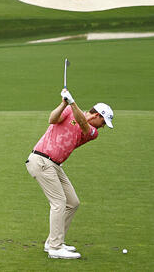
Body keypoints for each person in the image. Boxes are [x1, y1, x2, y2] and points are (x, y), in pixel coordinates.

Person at [25, 88, 114, 259]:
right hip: (41, 160)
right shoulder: (68, 110)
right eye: (103, 123)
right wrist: (63, 103)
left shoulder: (92, 133)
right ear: (98, 115)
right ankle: (56, 248)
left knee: (72, 202)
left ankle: (53, 241)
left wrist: (72, 102)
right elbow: (52, 119)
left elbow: (83, 124)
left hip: (55, 165)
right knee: (59, 202)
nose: (102, 127)